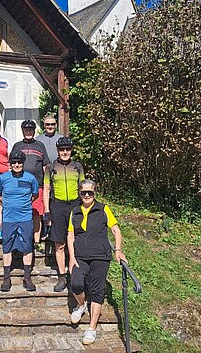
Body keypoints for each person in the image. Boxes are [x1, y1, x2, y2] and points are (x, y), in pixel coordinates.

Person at [67, 179, 127, 345]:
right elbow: (70, 235)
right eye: (84, 192)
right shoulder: (75, 211)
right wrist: (71, 257)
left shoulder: (103, 209)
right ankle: (81, 305)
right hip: (80, 256)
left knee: (97, 290)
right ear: (79, 193)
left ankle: (92, 328)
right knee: (76, 284)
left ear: (95, 193)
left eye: (90, 192)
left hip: (100, 256)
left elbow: (116, 230)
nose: (87, 195)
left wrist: (118, 250)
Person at [43, 137, 85, 292]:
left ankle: (77, 271)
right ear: (58, 150)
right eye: (62, 149)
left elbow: (83, 188)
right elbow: (46, 189)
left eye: (68, 149)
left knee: (76, 240)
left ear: (71, 150)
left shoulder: (78, 166)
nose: (65, 152)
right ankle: (62, 276)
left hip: (75, 205)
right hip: (58, 206)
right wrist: (46, 211)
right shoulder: (51, 166)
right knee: (59, 243)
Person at [0, 150, 39, 292]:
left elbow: (35, 195)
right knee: (7, 246)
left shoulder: (30, 178)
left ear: (23, 163)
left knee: (27, 246)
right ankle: (6, 278)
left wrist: (24, 204)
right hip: (9, 218)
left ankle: (27, 277)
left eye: (19, 162)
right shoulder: (3, 178)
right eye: (14, 162)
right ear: (10, 163)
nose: (16, 164)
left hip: (25, 217)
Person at [11, 120, 50, 253]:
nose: (28, 131)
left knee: (36, 213)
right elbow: (10, 165)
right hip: (19, 184)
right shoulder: (17, 146)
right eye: (26, 129)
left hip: (37, 184)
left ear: (34, 131)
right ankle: (20, 239)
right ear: (22, 131)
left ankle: (37, 241)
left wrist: (48, 183)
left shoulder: (40, 145)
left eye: (31, 129)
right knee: (20, 212)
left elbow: (45, 166)